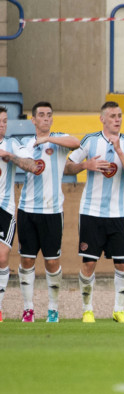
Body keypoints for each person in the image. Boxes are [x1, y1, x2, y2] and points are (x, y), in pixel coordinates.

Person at [65, 101, 124, 324]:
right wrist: (84, 166)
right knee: (89, 263)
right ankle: (87, 309)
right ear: (102, 119)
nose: (117, 119)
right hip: (91, 212)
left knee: (122, 264)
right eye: (112, 116)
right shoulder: (90, 140)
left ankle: (119, 309)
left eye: (119, 115)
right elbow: (67, 166)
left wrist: (119, 151)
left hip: (117, 214)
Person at [17, 102, 80, 323]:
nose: (45, 118)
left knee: (52, 262)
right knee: (27, 260)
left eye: (49, 115)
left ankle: (53, 308)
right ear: (33, 120)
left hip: (53, 211)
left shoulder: (59, 139)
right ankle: (28, 308)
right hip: (28, 209)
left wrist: (49, 139)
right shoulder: (25, 143)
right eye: (41, 115)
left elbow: (76, 143)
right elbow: (24, 163)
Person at [0, 106, 38, 322]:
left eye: (5, 121)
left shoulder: (12, 144)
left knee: (3, 256)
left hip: (4, 208)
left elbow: (30, 165)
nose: (2, 125)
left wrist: (10, 157)